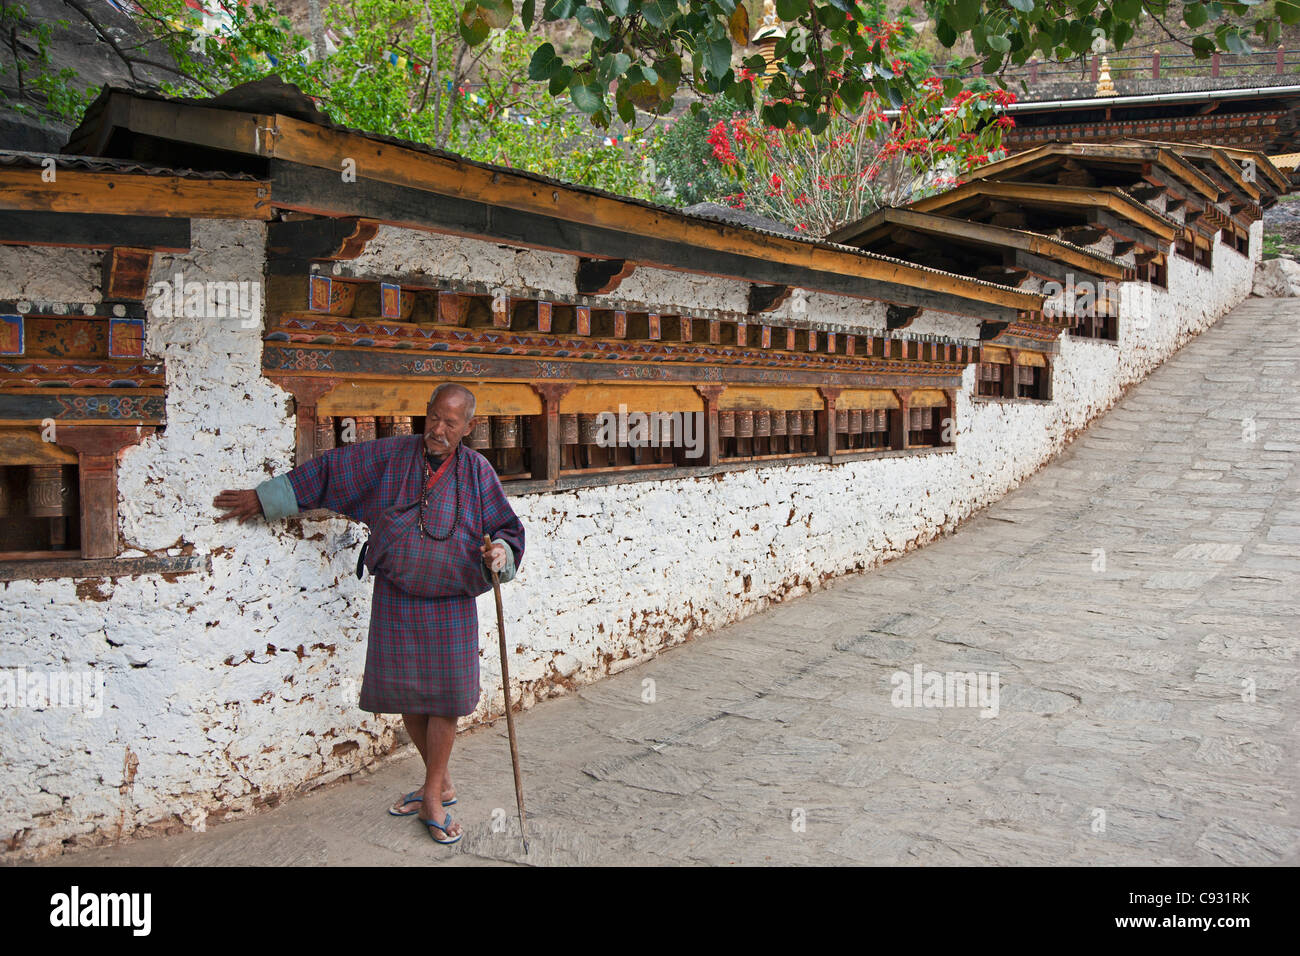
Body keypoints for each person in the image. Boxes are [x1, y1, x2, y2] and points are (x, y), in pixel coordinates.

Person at [212, 383, 525, 845]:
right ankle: (440, 781)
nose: (437, 430)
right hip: (397, 595)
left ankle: (432, 797)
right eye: (433, 417)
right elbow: (331, 472)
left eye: (450, 423)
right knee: (408, 697)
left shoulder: (478, 471)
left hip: (452, 602)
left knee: (447, 700)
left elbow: (505, 528)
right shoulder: (393, 457)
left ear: (469, 427)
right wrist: (268, 498)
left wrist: (500, 551)